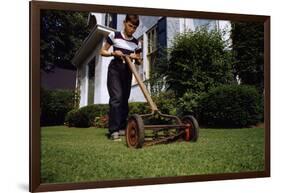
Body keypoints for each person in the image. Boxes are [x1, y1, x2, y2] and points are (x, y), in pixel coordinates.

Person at [100, 14, 142, 141]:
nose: (132, 29)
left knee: (124, 100)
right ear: (124, 23)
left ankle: (123, 127)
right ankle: (114, 130)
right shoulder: (114, 36)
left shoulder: (136, 43)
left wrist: (136, 58)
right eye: (130, 26)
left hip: (128, 70)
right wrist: (113, 52)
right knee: (116, 98)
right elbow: (102, 51)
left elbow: (139, 61)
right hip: (115, 69)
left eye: (134, 28)